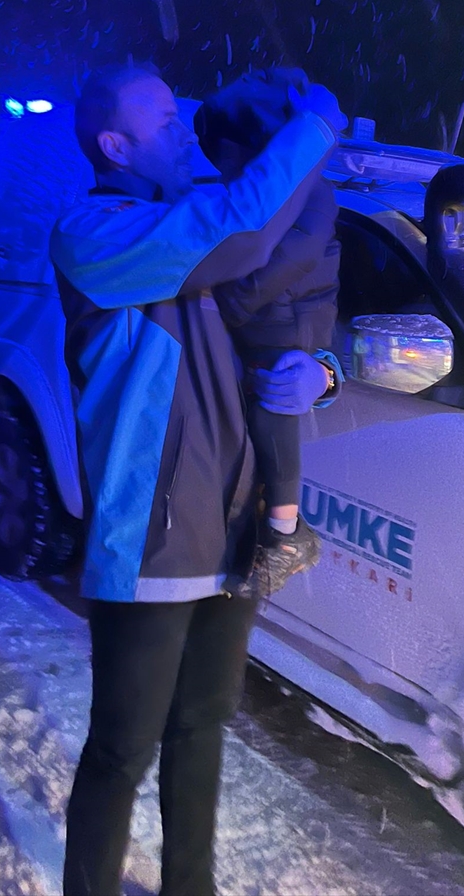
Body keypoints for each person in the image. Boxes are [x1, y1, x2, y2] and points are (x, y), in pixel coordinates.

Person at [50, 61, 346, 896]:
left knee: (203, 728)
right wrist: (316, 123)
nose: (183, 131)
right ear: (116, 144)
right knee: (121, 746)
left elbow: (279, 310)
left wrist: (319, 371)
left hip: (235, 526)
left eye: (183, 119)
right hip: (152, 537)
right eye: (163, 122)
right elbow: (243, 227)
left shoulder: (191, 223)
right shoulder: (95, 234)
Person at [195, 69, 341, 598]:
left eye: (231, 156)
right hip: (268, 315)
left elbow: (289, 256)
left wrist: (230, 300)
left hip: (290, 321)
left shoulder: (312, 194)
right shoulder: (250, 193)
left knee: (276, 401)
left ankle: (285, 533)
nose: (228, 170)